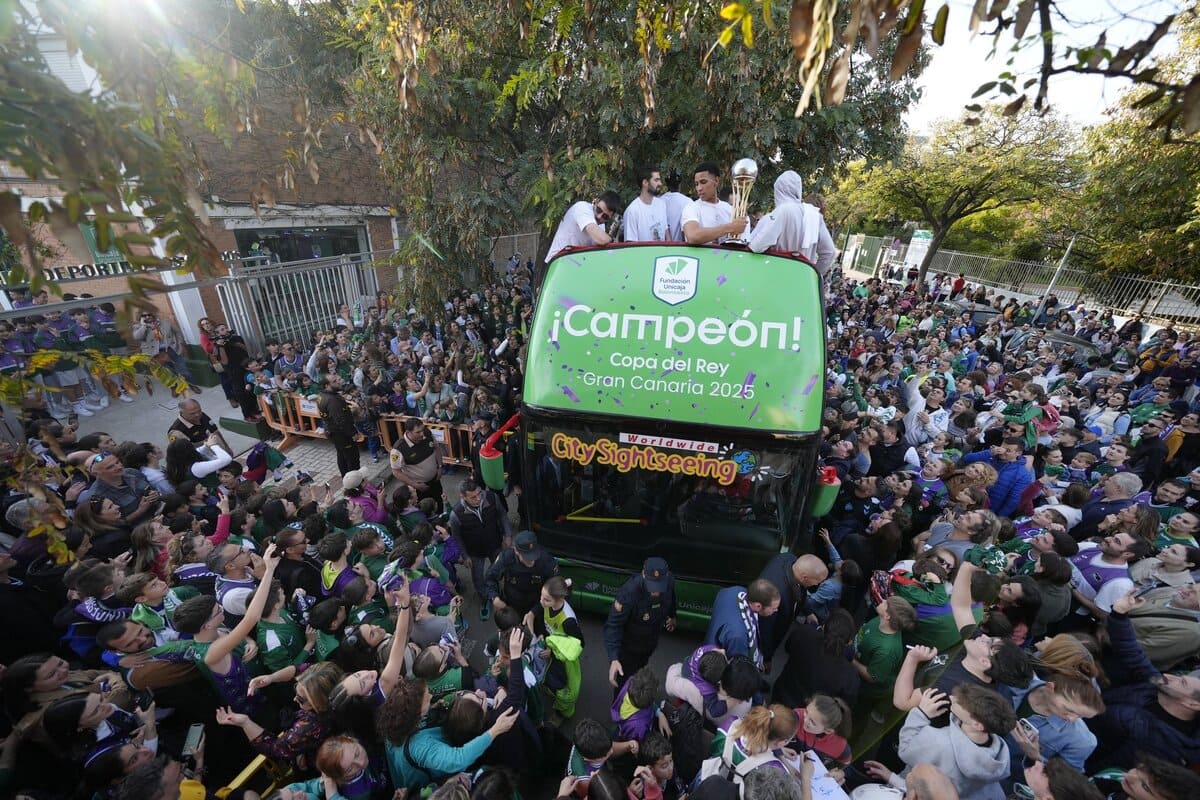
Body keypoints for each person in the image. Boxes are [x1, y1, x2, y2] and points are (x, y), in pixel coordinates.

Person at [604, 557, 677, 689]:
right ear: (643, 574)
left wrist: (672, 616)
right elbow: (613, 625)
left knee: (640, 671)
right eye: (653, 587)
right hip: (629, 648)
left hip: (649, 643)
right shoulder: (629, 593)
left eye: (659, 587)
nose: (656, 593)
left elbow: (671, 599)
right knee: (623, 685)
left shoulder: (669, 581)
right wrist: (614, 658)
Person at [746, 170, 837, 276]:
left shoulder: (782, 210)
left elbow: (757, 245)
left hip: (776, 276)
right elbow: (829, 253)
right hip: (801, 281)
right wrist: (813, 275)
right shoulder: (815, 216)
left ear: (778, 190)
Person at [755, 552, 830, 667]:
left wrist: (808, 612)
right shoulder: (773, 596)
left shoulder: (791, 559)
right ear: (805, 578)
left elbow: (801, 591)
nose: (818, 584)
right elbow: (765, 629)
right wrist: (767, 657)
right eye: (818, 581)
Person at [703, 579, 781, 670]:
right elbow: (738, 666)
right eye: (773, 608)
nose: (776, 610)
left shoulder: (736, 590)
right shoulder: (738, 636)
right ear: (758, 606)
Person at [482, 530, 558, 618]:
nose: (532, 561)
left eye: (534, 555)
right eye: (527, 558)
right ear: (516, 551)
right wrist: (494, 597)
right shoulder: (506, 557)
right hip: (511, 604)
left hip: (537, 605)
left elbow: (555, 587)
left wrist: (535, 611)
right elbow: (489, 578)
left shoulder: (546, 560)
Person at [681, 162, 747, 245]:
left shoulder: (729, 209)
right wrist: (730, 227)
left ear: (716, 181)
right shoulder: (691, 207)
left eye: (703, 182)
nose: (699, 188)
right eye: (696, 184)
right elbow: (693, 236)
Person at [545, 191, 621, 262]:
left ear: (610, 218)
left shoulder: (601, 227)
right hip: (556, 263)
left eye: (605, 216)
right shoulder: (582, 208)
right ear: (596, 201)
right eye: (599, 210)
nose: (599, 216)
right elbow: (601, 239)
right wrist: (610, 238)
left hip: (575, 265)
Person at [389, 417, 444, 510]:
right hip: (419, 487)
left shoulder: (427, 433)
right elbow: (396, 471)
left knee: (439, 502)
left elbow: (437, 448)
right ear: (408, 432)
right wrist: (414, 485)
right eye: (418, 432)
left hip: (435, 480)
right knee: (424, 510)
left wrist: (440, 467)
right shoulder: (399, 449)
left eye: (422, 430)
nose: (422, 434)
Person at [623, 165, 668, 242]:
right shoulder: (632, 211)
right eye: (656, 180)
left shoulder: (661, 204)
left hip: (664, 254)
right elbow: (630, 245)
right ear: (645, 183)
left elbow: (666, 234)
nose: (660, 183)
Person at [660, 171, 690, 242]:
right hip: (681, 248)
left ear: (667, 184)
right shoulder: (687, 201)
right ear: (679, 184)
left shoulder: (659, 201)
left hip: (661, 247)